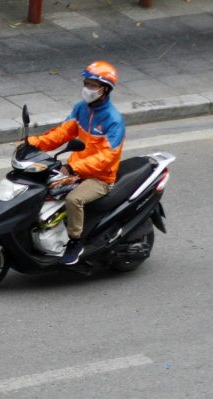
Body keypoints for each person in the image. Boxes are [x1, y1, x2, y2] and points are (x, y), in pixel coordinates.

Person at [27, 60, 125, 265]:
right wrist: (32, 144)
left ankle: (75, 241)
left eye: (92, 85)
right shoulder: (82, 108)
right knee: (38, 187)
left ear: (105, 89)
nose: (87, 89)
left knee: (74, 200)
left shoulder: (113, 120)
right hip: (76, 170)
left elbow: (106, 158)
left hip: (100, 178)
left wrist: (74, 167)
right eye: (86, 83)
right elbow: (62, 133)